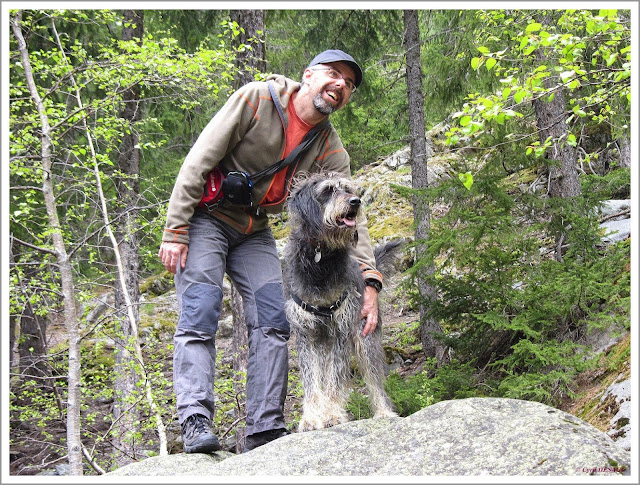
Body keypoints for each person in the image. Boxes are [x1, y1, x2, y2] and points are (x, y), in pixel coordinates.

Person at [158, 49, 384, 453]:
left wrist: (369, 279)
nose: (340, 86)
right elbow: (198, 160)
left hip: (254, 228)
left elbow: (352, 219)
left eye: (349, 84)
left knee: (274, 320)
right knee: (200, 312)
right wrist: (176, 228)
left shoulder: (329, 147)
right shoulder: (257, 99)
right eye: (333, 74)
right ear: (308, 75)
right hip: (206, 219)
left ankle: (264, 428)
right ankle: (195, 419)